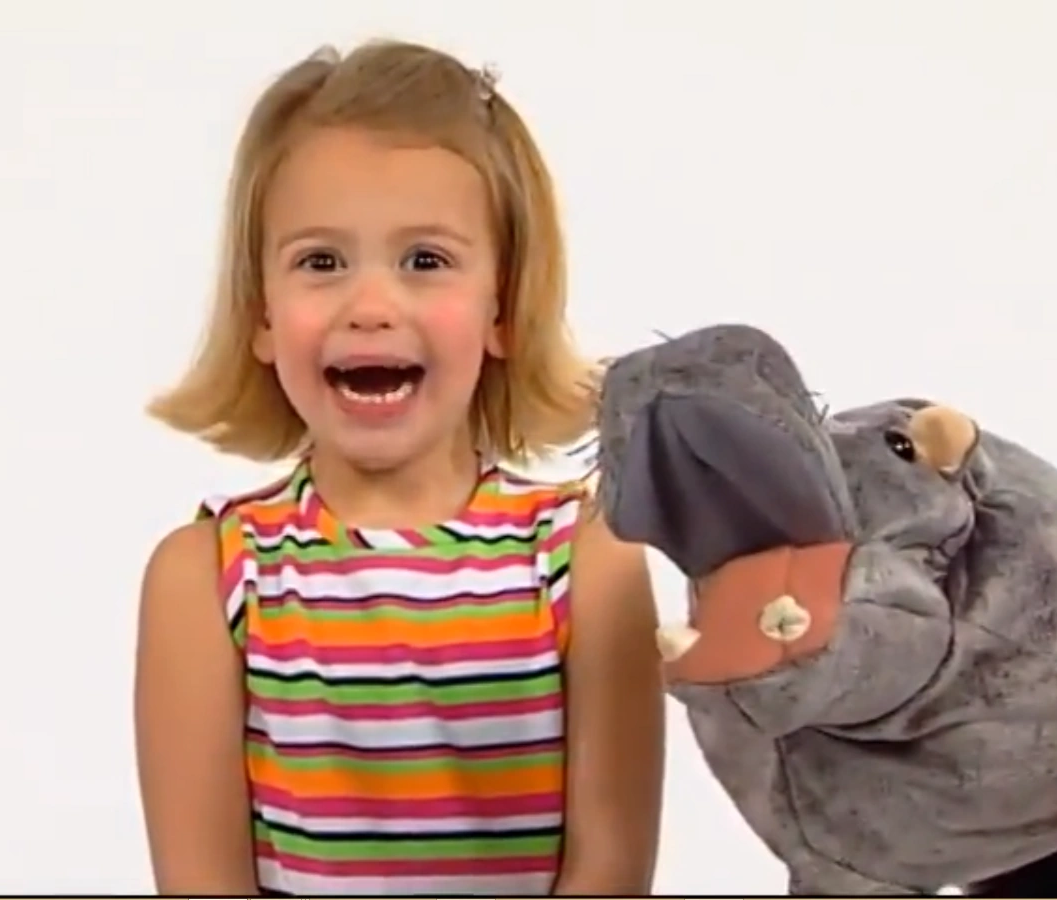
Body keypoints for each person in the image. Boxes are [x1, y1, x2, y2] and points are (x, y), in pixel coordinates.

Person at [134, 39, 665, 897]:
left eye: (426, 261)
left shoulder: (587, 560)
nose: (371, 306)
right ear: (262, 314)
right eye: (321, 262)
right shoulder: (207, 579)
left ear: (503, 308)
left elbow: (608, 872)